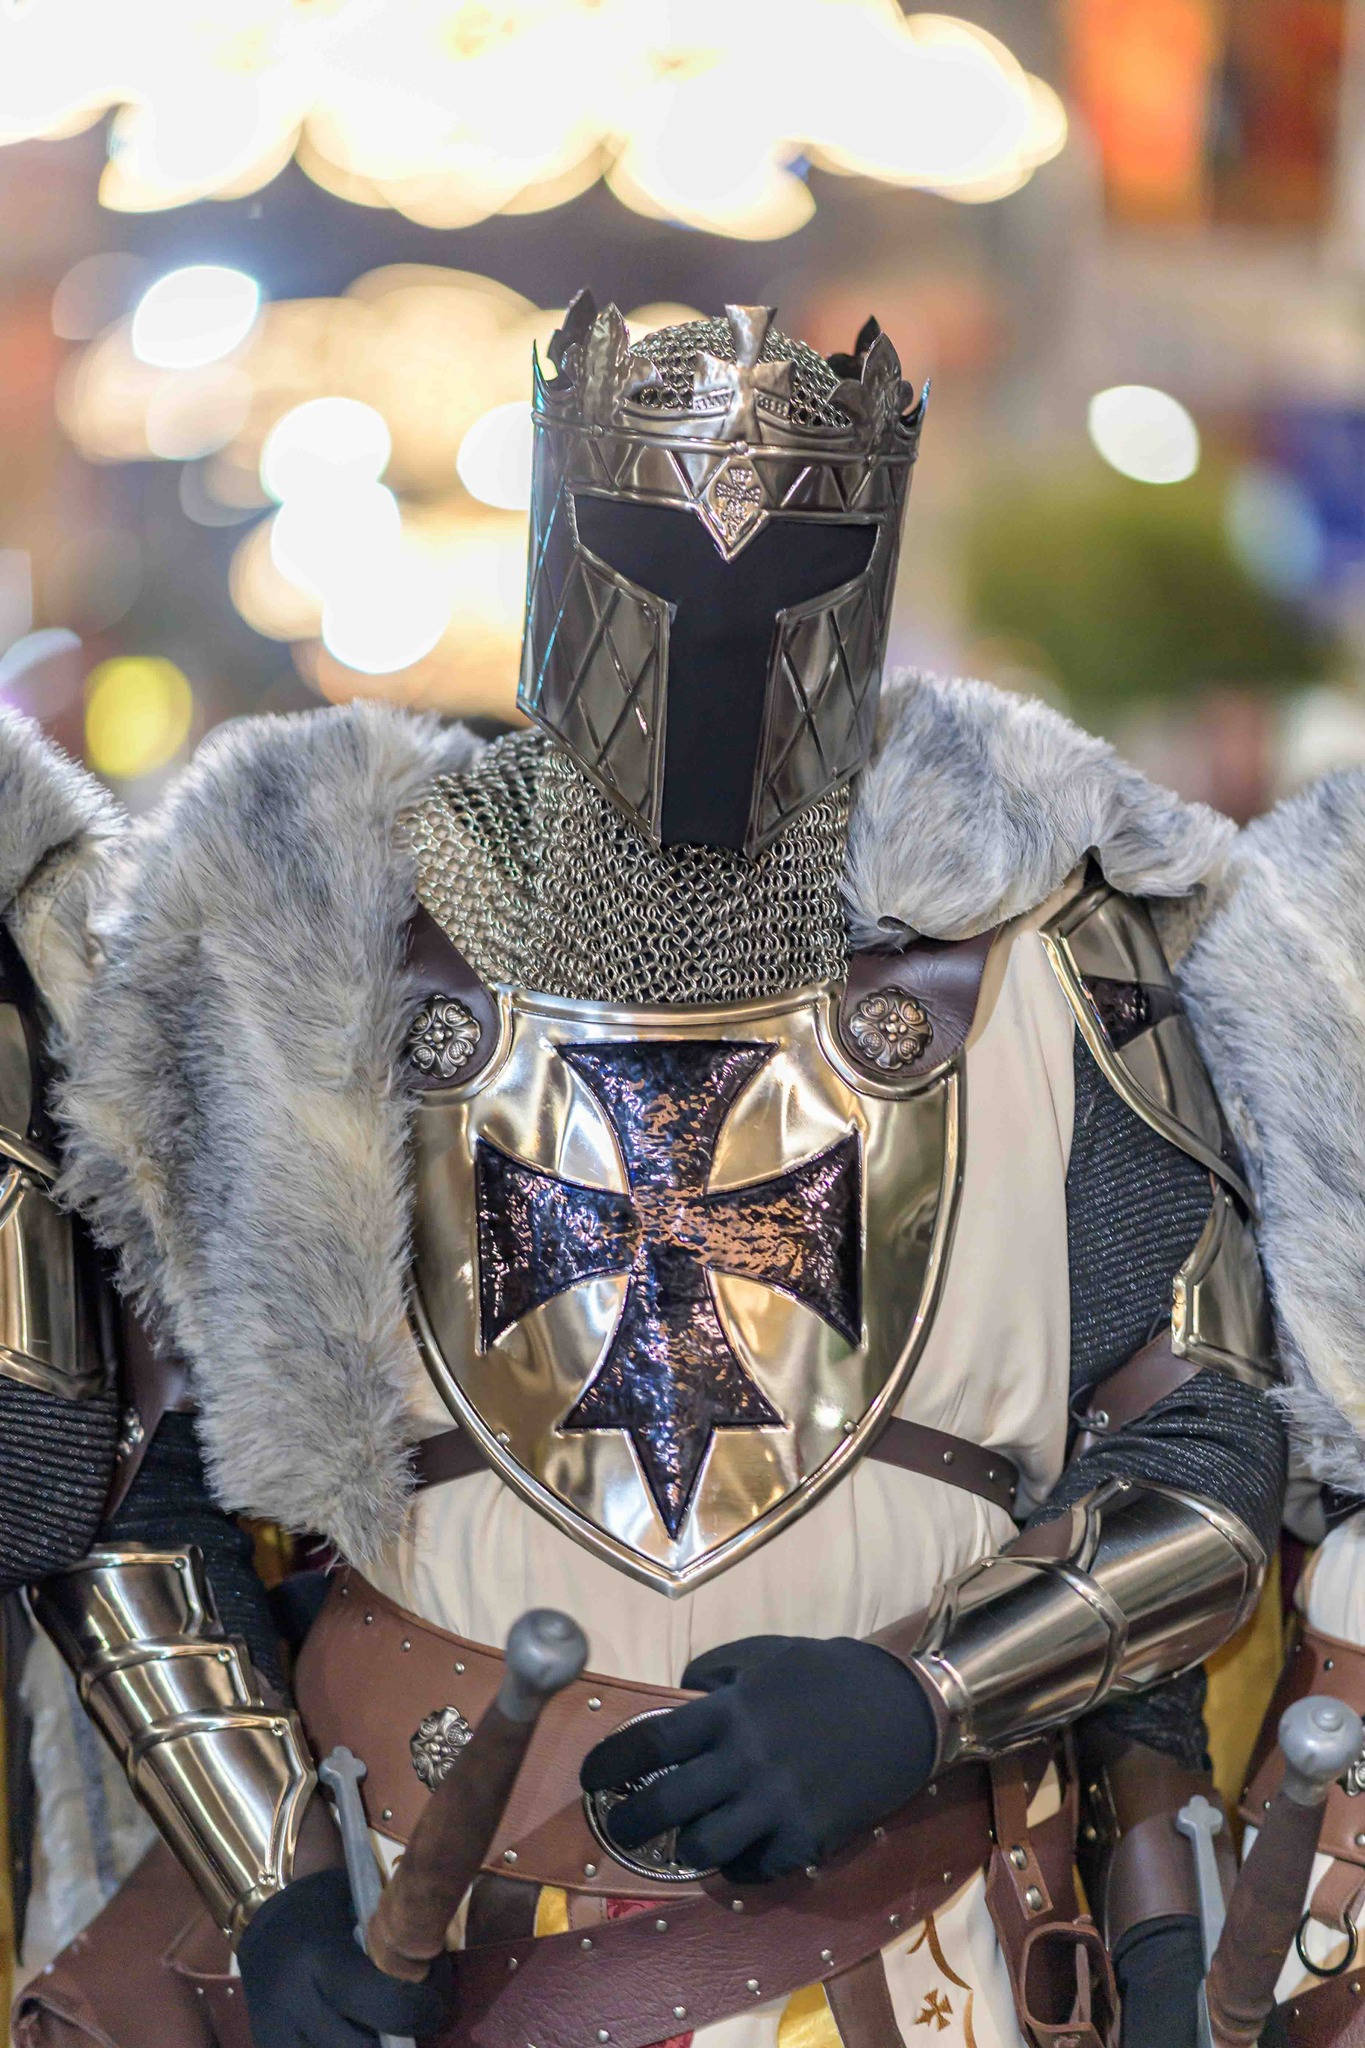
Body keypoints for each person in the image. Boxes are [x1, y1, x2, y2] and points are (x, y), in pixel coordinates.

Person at [8, 299, 1289, 2048]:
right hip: (421, 1922)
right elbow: (137, 1489)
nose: (720, 628)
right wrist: (278, 1890)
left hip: (926, 1951)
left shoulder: (1046, 955)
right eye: (651, 552)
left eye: (798, 566)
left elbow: (1202, 1456)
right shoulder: (301, 950)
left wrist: (926, 1696)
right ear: (560, 545)